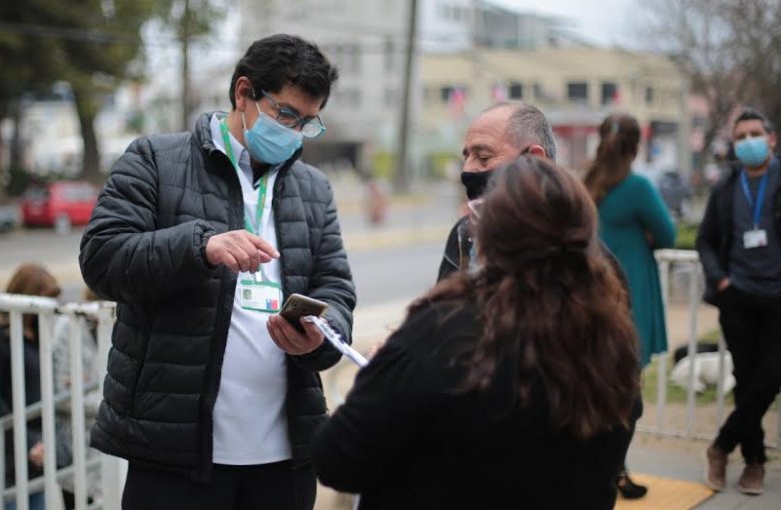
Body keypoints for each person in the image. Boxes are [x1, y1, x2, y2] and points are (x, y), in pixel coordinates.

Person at [79, 34, 356, 510]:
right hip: (175, 452)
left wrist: (322, 337)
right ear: (243, 93)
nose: (293, 133)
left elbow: (335, 286)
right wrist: (200, 246)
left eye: (308, 123)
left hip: (284, 456)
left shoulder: (313, 189)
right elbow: (102, 260)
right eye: (286, 115)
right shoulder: (155, 160)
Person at [312, 156, 640, 509]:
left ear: (491, 237)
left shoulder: (444, 331)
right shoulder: (612, 343)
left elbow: (337, 459)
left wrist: (381, 373)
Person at [583, 113, 676, 499]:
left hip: (590, 292)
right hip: (630, 289)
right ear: (637, 146)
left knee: (593, 386)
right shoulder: (637, 187)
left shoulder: (584, 183)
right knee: (627, 394)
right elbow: (668, 232)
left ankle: (595, 465)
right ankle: (614, 469)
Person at [698, 108, 781, 495]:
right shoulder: (726, 187)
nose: (748, 141)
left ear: (772, 138)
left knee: (770, 376)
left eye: (755, 133)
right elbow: (705, 240)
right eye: (741, 136)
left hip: (777, 297)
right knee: (747, 380)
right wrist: (721, 279)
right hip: (738, 296)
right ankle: (754, 462)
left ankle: (721, 445)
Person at [0, 263, 62, 510]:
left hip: (36, 442)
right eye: (43, 301)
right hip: (3, 439)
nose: (47, 309)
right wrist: (27, 441)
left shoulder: (37, 331)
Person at [437, 101, 556, 280]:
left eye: (483, 157)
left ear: (534, 159)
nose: (467, 170)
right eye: (467, 156)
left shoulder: (575, 254)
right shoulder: (463, 234)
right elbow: (443, 306)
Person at [51, 287, 101, 509]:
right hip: (74, 443)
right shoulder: (69, 327)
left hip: (103, 448)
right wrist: (108, 404)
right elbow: (63, 394)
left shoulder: (118, 327)